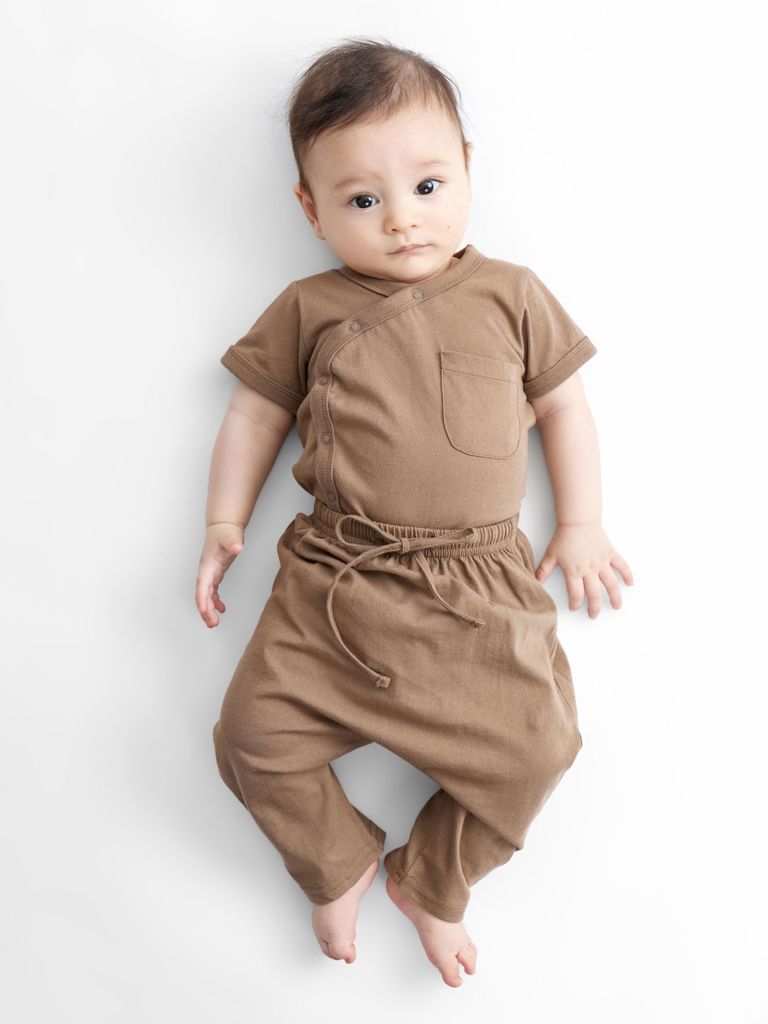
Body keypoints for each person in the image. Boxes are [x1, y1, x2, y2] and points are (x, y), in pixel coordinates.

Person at [196, 37, 633, 988]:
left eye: (429, 186)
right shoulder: (307, 307)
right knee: (250, 740)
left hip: (475, 591)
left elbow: (565, 408)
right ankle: (337, 858)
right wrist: (224, 523)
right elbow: (254, 415)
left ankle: (433, 878)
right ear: (310, 209)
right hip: (337, 582)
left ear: (468, 169)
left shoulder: (512, 295)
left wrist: (583, 520)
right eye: (363, 200)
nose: (402, 219)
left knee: (542, 747)